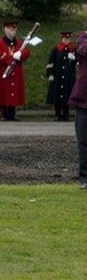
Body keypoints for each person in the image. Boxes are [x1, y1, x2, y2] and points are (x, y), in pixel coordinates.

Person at [0, 21, 28, 121]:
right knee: (4, 92)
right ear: (5, 30)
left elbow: (26, 52)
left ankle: (12, 113)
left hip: (15, 71)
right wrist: (12, 57)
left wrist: (21, 55)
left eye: (14, 30)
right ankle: (4, 113)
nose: (13, 32)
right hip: (4, 71)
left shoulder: (18, 42)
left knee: (14, 92)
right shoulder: (0, 42)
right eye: (11, 30)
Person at [46, 31, 77, 121]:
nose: (67, 40)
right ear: (61, 39)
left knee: (67, 95)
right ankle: (57, 114)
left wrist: (74, 59)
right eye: (65, 39)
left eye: (68, 39)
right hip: (57, 76)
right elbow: (50, 62)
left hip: (68, 76)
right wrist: (50, 74)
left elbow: (78, 63)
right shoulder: (56, 49)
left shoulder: (73, 49)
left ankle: (66, 114)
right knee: (57, 95)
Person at [70, 31, 87, 190]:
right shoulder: (83, 38)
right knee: (83, 140)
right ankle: (84, 177)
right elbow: (83, 49)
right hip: (84, 99)